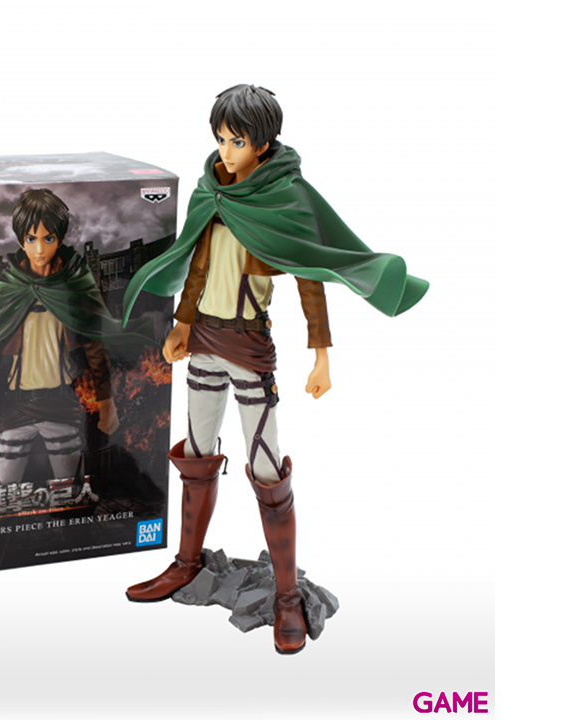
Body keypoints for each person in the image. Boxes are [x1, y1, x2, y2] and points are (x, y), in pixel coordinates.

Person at [121, 84, 429, 654]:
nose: (225, 151)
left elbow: (310, 273)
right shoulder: (212, 191)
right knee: (196, 455)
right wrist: (182, 323)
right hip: (203, 340)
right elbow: (196, 264)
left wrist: (321, 354)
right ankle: (187, 562)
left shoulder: (284, 198)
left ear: (262, 144)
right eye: (220, 138)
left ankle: (287, 596)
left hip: (250, 346)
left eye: (236, 141)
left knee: (267, 469)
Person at [0, 189, 154, 567]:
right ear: (20, 238)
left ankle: (80, 565)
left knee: (74, 502)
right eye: (31, 238)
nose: (40, 248)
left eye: (48, 238)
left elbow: (94, 344)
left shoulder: (74, 284)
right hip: (16, 408)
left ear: (60, 237)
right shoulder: (7, 288)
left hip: (61, 403)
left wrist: (107, 401)